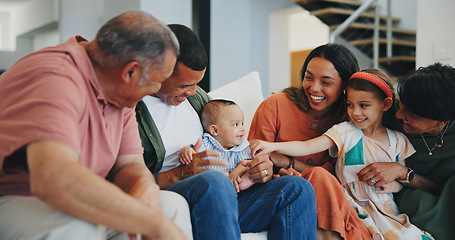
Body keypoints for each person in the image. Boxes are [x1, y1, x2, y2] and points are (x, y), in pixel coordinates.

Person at [0, 11, 192, 240]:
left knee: (171, 207)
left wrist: (143, 185)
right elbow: (55, 179)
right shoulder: (57, 78)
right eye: (158, 81)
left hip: (60, 194)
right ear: (130, 71)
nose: (156, 90)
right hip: (14, 195)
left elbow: (129, 163)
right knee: (78, 228)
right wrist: (155, 225)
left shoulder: (120, 95)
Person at [136, 23, 317, 240]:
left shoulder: (197, 99)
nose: (192, 91)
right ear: (159, 71)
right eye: (184, 84)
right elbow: (125, 178)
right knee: (215, 181)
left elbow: (230, 144)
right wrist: (180, 173)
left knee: (298, 188)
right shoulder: (132, 110)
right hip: (181, 195)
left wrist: (262, 167)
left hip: (224, 195)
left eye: (196, 83)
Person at [250, 68, 434, 239]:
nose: (355, 112)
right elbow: (307, 147)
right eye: (350, 105)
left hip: (385, 211)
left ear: (385, 104)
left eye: (364, 105)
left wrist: (395, 187)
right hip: (351, 205)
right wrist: (272, 146)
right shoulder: (345, 132)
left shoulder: (398, 140)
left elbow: (400, 177)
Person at [248, 43, 373, 240]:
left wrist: (289, 163)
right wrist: (272, 170)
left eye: (326, 82)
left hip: (330, 196)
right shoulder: (275, 106)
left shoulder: (349, 119)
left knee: (319, 176)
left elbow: (341, 174)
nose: (313, 88)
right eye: (308, 77)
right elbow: (255, 156)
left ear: (344, 87)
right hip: (279, 189)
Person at [356, 63, 455, 240]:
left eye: (412, 115)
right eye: (401, 104)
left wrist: (402, 172)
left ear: (442, 121)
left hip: (441, 203)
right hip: (391, 192)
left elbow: (442, 189)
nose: (399, 115)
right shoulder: (388, 113)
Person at [179, 99, 255, 192]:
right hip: (210, 187)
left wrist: (235, 173)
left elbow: (245, 164)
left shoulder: (242, 146)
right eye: (236, 124)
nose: (242, 129)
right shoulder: (206, 143)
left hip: (233, 189)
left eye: (242, 124)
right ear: (214, 130)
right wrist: (187, 151)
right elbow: (194, 154)